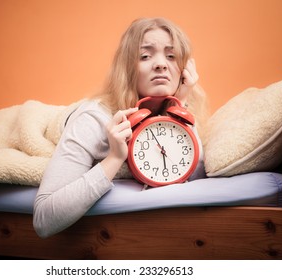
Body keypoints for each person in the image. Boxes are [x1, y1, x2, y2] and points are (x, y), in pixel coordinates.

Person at [33, 17, 208, 238]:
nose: (161, 64)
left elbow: (196, 175)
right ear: (127, 69)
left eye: (172, 56)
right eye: (145, 56)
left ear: (185, 70)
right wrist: (114, 158)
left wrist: (179, 109)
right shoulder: (93, 119)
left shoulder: (180, 111)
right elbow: (43, 219)